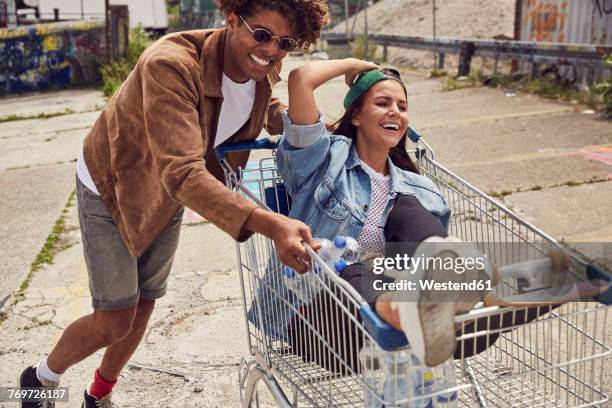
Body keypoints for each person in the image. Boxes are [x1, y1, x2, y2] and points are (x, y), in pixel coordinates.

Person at [19, 1, 329, 407]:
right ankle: (39, 379)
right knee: (115, 317)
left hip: (173, 188)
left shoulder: (262, 64)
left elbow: (261, 103)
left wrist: (301, 121)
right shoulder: (170, 64)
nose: (271, 50)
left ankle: (98, 394)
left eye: (285, 43)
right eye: (262, 35)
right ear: (232, 19)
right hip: (115, 183)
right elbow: (183, 172)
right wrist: (271, 224)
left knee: (145, 301)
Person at [272, 58, 602, 372]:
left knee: (410, 214)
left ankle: (568, 284)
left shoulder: (419, 190)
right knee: (358, 272)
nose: (395, 113)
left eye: (402, 107)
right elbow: (301, 79)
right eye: (383, 103)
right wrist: (358, 67)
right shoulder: (324, 161)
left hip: (405, 326)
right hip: (321, 321)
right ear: (355, 114)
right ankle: (423, 307)